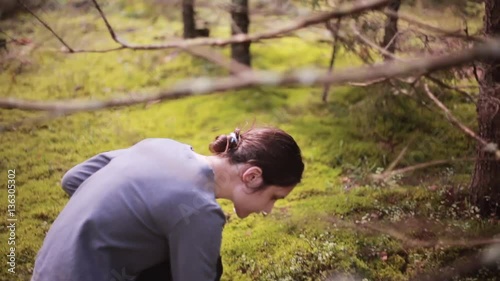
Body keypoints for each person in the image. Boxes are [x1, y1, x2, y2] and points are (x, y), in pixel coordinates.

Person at [31, 127, 304, 281]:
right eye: (274, 198)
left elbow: (72, 178)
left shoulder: (160, 146)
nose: (268, 210)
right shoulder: (199, 210)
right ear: (253, 176)